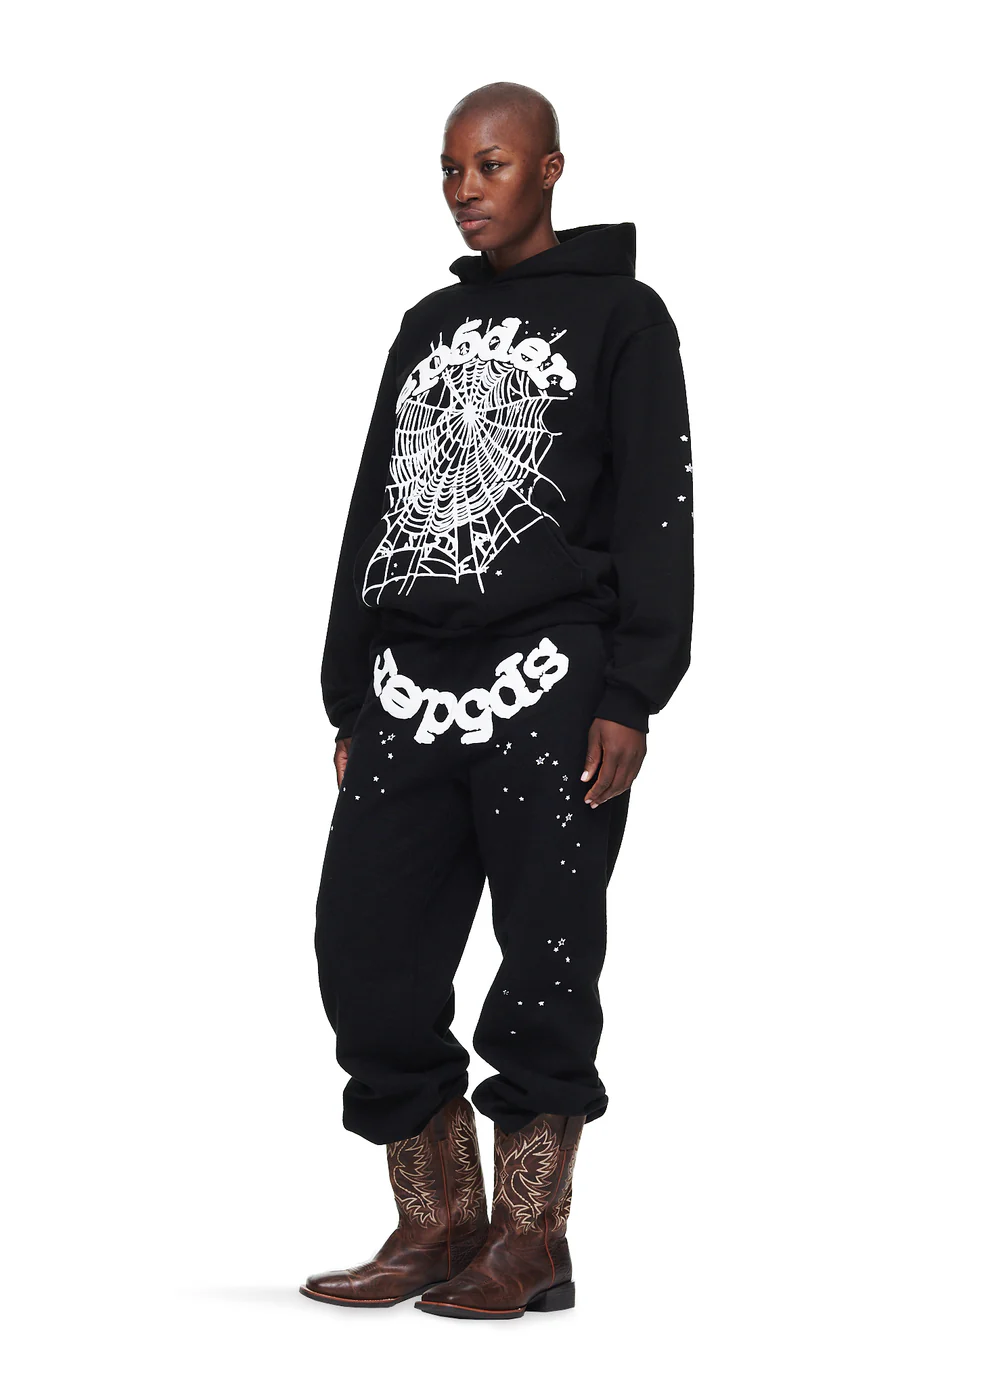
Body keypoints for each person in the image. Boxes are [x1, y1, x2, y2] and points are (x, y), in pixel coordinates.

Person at [300, 81, 694, 1320]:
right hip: (409, 683)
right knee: (364, 949)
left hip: (553, 678)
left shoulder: (625, 317)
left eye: (492, 164)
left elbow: (657, 508)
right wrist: (349, 692)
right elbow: (378, 503)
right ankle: (439, 1222)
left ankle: (533, 1240)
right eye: (451, 168)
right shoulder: (425, 325)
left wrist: (632, 690)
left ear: (550, 170)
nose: (466, 187)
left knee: (546, 957)